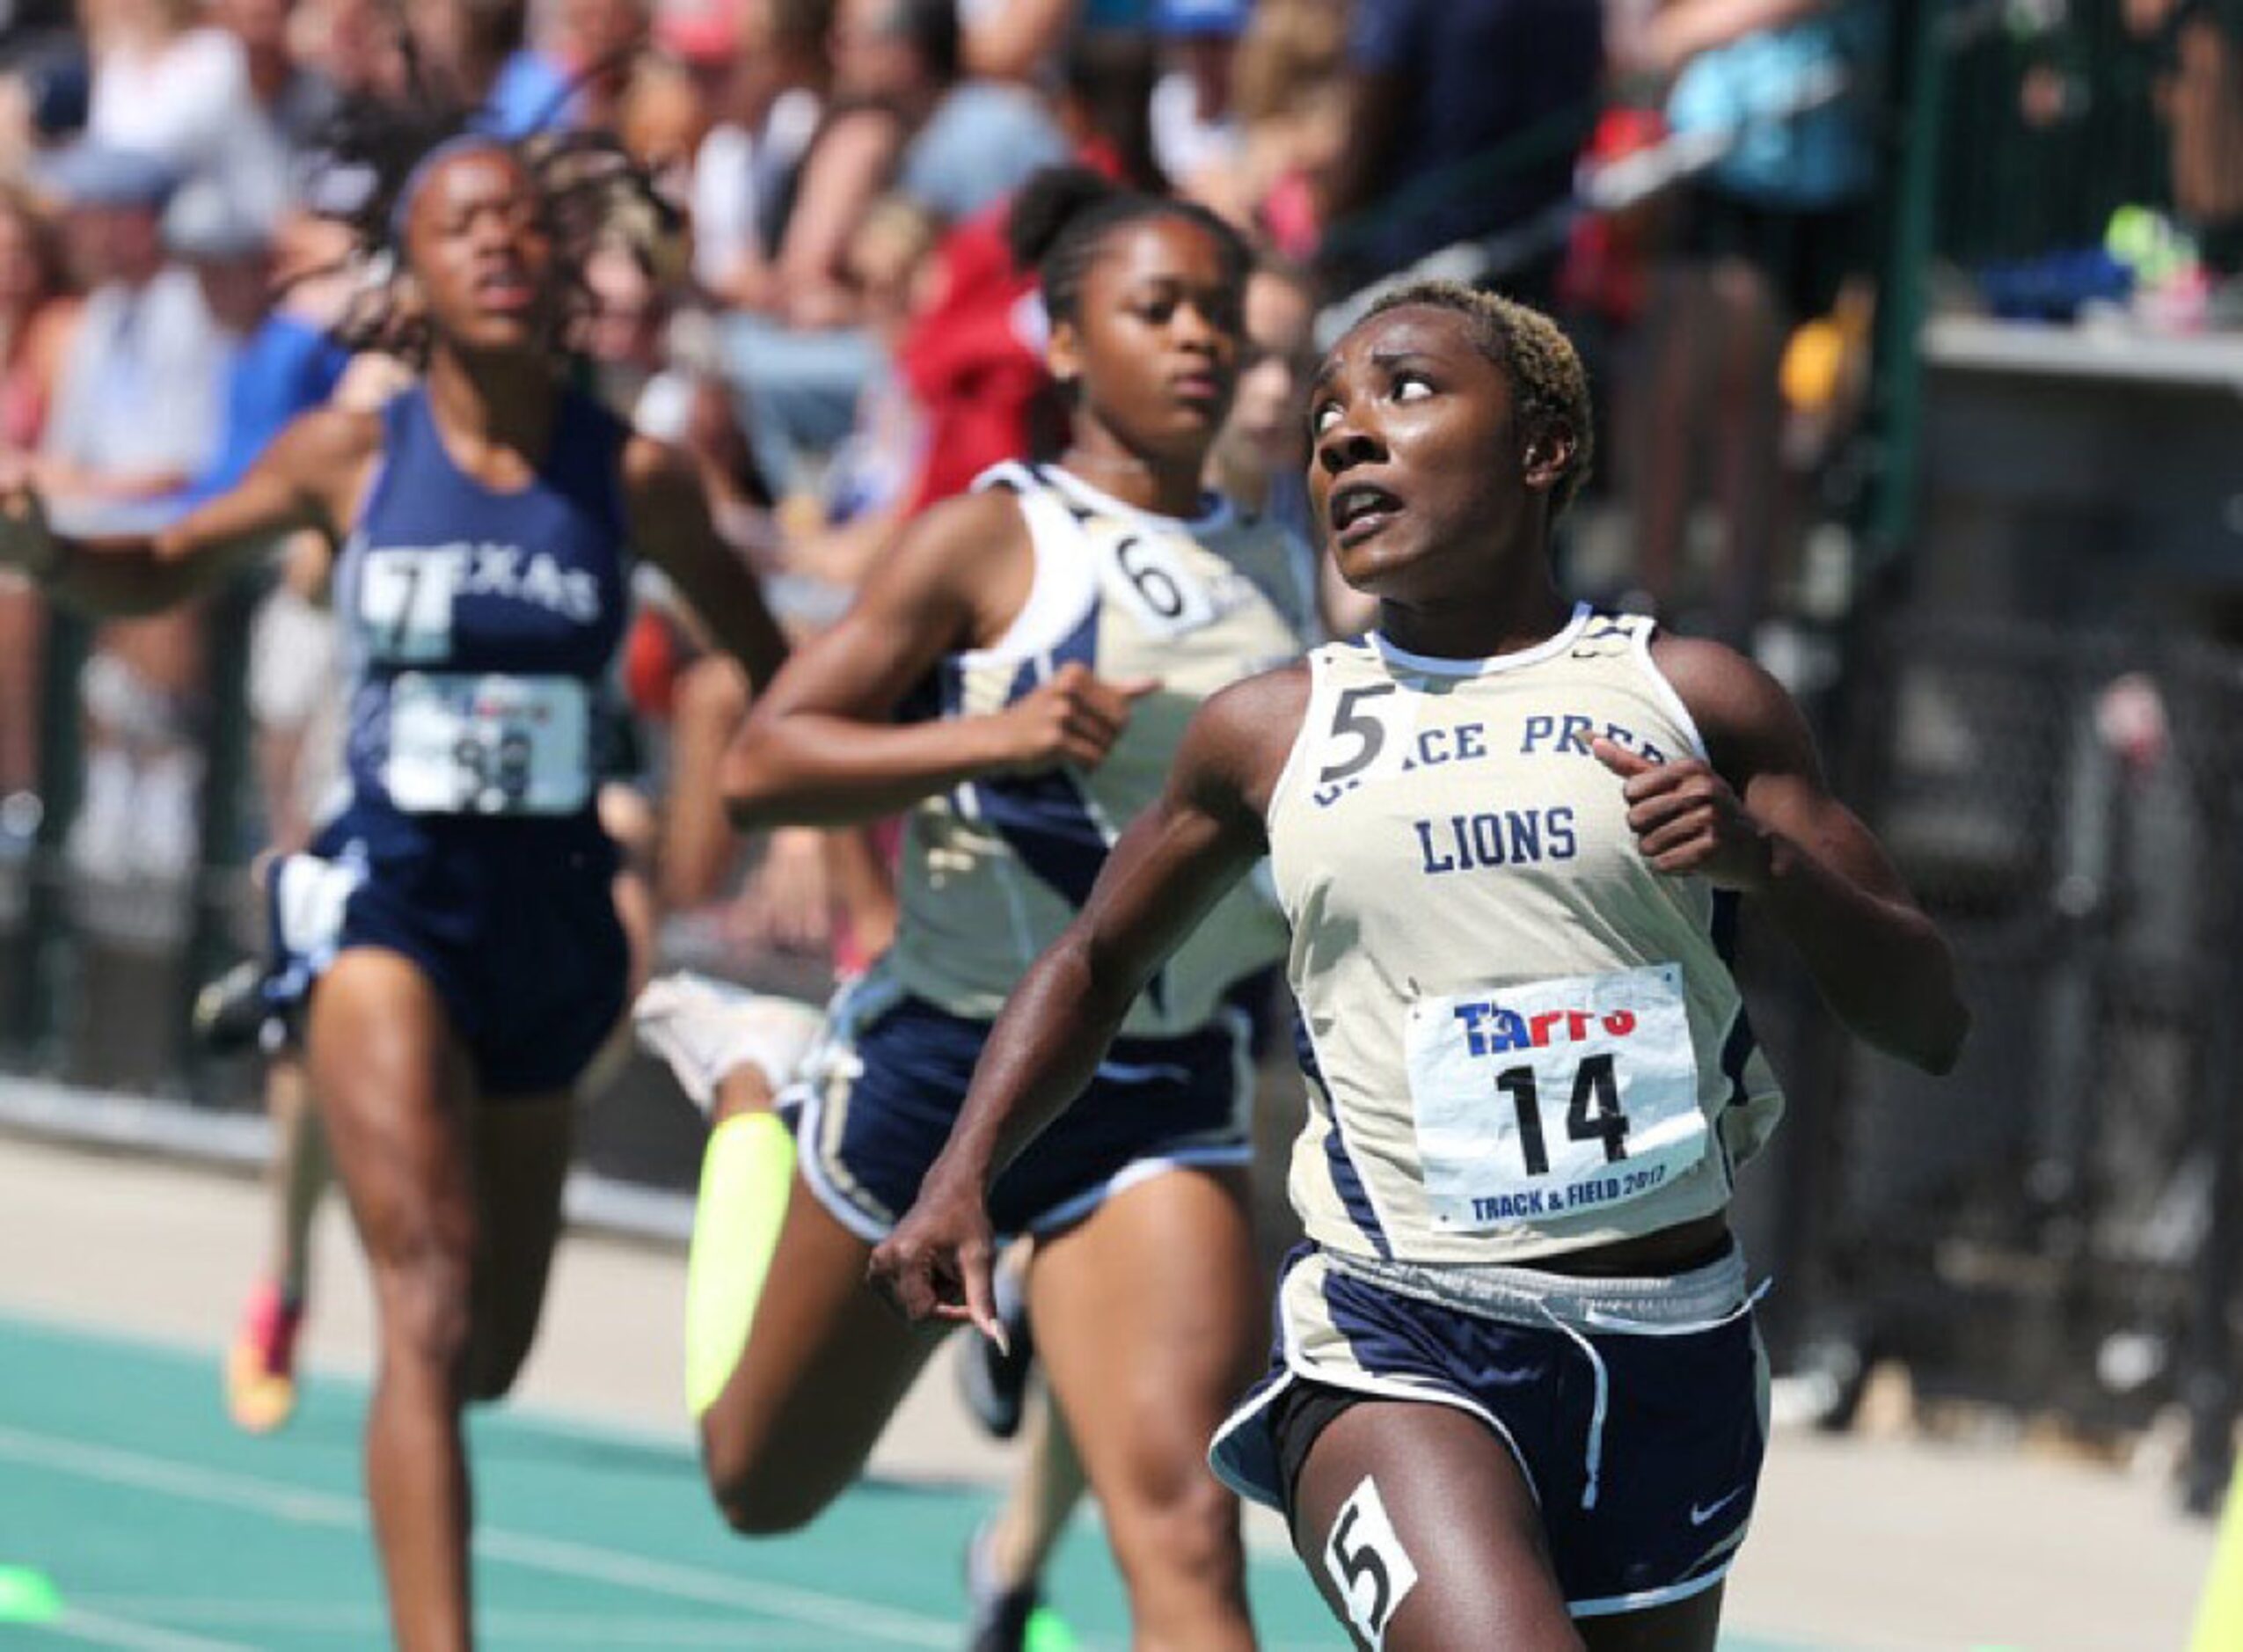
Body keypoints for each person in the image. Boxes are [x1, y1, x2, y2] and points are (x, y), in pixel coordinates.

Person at [870, 278, 1970, 1652]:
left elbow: (1926, 1019)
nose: (1342, 435)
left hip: (1673, 1343)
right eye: (1325, 413)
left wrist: (1771, 866)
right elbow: (1095, 957)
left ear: (1541, 447)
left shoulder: (1693, 698)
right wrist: (962, 1170)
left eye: (1401, 390)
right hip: (1401, 1339)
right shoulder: (1271, 731)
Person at [0, 117, 788, 1652]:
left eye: (520, 223)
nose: (497, 242)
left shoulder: (632, 472)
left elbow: (784, 671)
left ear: (562, 266)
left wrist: (820, 808)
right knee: (420, 1303)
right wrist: (51, 549)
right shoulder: (354, 453)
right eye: (461, 224)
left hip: (553, 924)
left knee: (484, 1347)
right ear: (411, 279)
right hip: (385, 903)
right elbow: (160, 563)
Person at [631, 164, 1311, 1651]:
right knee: (757, 1484)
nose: (1200, 340)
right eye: (1158, 310)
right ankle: (760, 1089)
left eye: (1221, 316)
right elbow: (761, 766)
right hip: (939, 1072)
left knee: (1186, 1525)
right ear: (1064, 345)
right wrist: (992, 736)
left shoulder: (1289, 568)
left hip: (1156, 1086)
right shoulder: (991, 539)